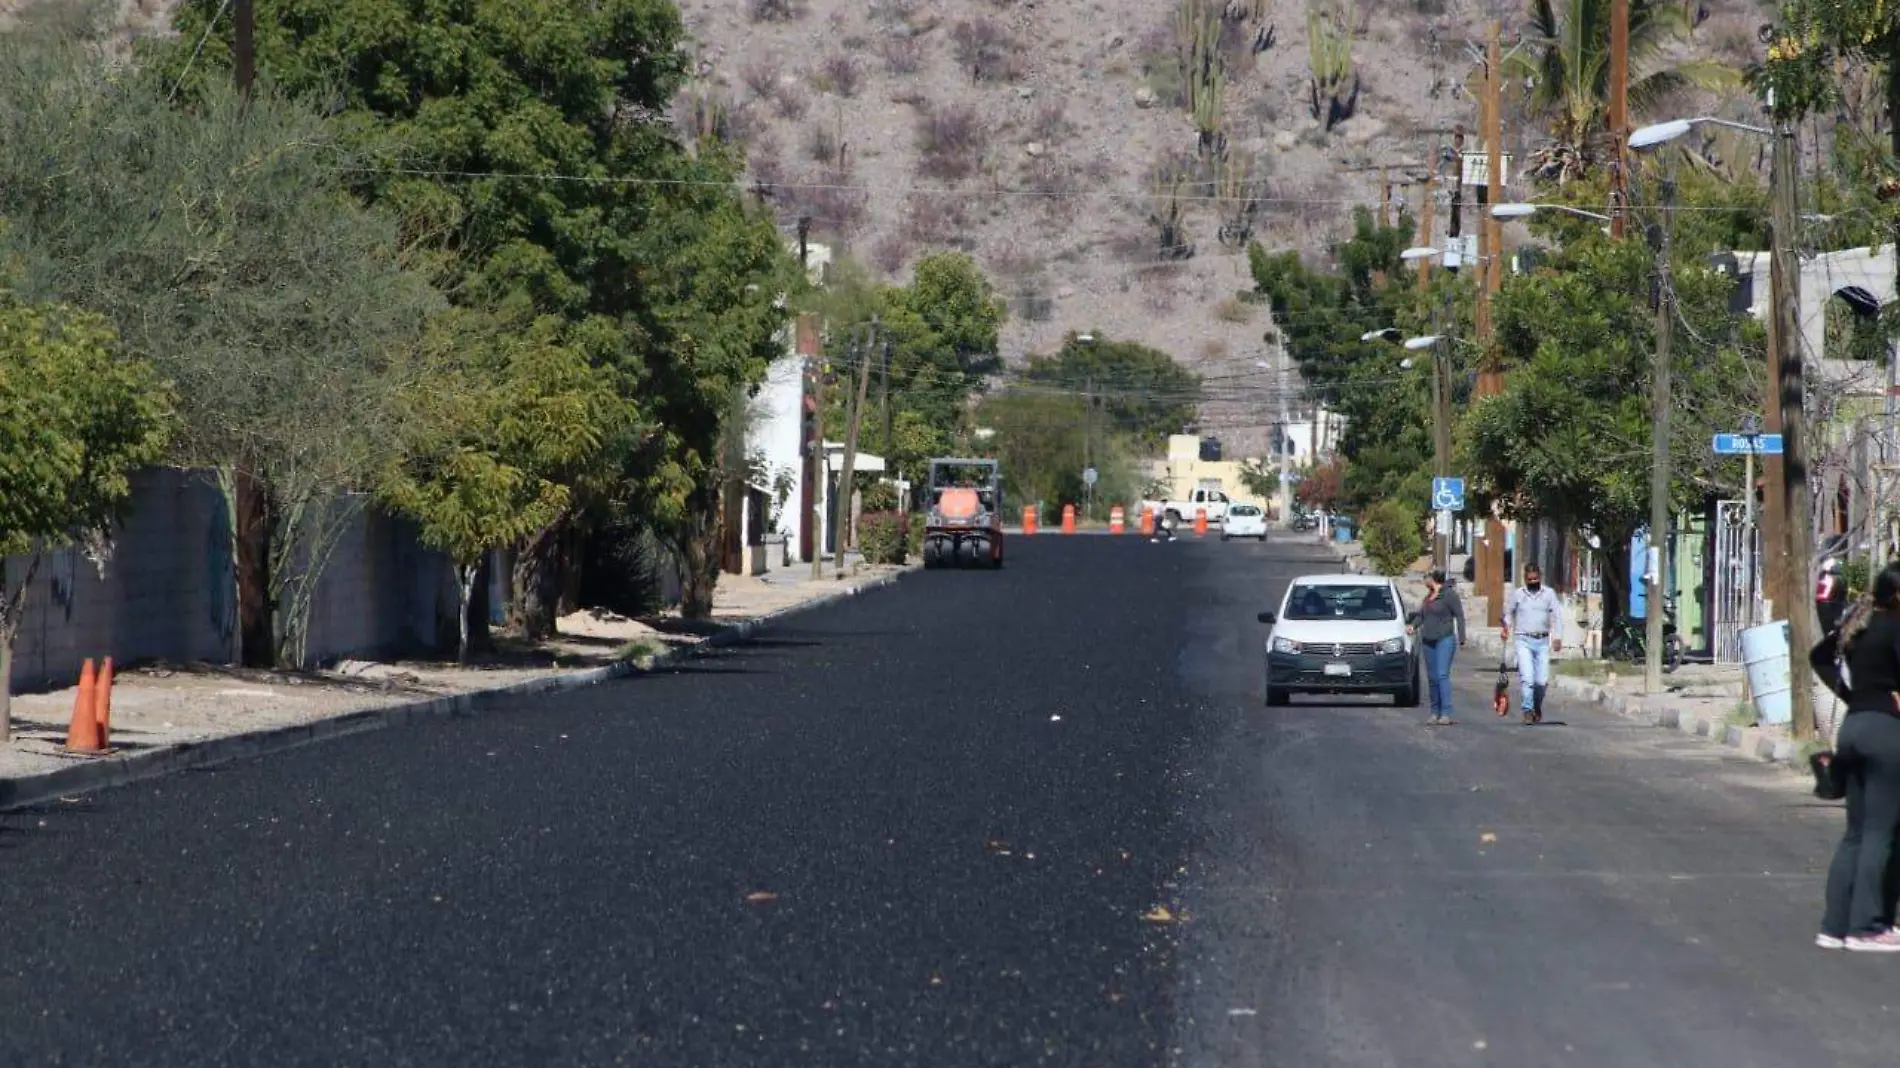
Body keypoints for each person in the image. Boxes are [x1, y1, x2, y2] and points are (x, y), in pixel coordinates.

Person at [1813, 564, 1900, 951]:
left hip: (1853, 729)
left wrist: (1853, 697)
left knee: (1856, 834)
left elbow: (1819, 657)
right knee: (1882, 833)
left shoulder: (1859, 628)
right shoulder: (1895, 629)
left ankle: (1834, 927)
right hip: (1885, 734)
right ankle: (1867, 927)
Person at [1500, 565, 1563, 724]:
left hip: (1542, 641)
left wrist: (1558, 637)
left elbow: (1557, 615)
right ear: (1525, 579)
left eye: (1535, 579)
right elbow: (1508, 613)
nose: (1533, 581)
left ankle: (1536, 706)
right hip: (1523, 640)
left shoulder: (1548, 594)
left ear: (1540, 577)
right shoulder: (1518, 594)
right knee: (1527, 678)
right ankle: (1527, 710)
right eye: (1530, 579)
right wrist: (1506, 626)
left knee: (1541, 681)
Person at [1417, 568, 1467, 727]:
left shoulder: (1449, 595)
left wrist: (1462, 637)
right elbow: (1421, 616)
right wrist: (1413, 625)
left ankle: (1446, 713)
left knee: (1441, 675)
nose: (1424, 581)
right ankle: (1434, 712)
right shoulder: (1428, 597)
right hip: (1427, 640)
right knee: (1431, 678)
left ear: (1433, 578)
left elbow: (1459, 615)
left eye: (1426, 577)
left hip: (1444, 639)